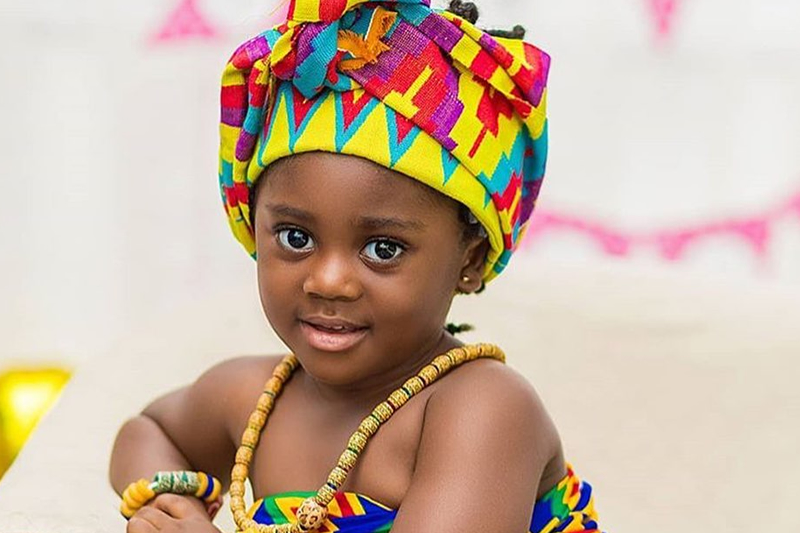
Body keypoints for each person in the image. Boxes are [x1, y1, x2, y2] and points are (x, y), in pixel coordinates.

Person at [109, 0, 602, 531]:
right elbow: (145, 431)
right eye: (295, 237)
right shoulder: (253, 398)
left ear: (471, 258)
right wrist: (171, 504)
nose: (328, 281)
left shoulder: (484, 409)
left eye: (383, 249)